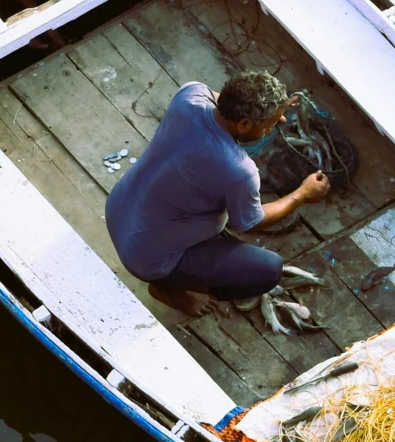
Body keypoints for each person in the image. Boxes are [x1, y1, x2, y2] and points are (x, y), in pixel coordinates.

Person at [107, 70, 331, 315]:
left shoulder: (189, 95)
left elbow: (224, 98)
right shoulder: (239, 171)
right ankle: (167, 288)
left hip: (120, 210)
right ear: (244, 124)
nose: (274, 127)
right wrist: (303, 193)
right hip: (146, 257)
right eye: (269, 126)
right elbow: (249, 223)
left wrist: (271, 111)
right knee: (268, 270)